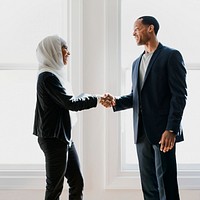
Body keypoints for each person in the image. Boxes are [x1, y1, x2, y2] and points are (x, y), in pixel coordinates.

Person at [101, 16, 187, 200]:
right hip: (141, 134)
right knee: (149, 187)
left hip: (164, 133)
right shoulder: (136, 63)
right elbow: (136, 97)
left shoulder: (171, 56)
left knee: (167, 186)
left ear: (150, 29)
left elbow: (179, 96)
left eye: (136, 28)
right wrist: (115, 100)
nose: (133, 33)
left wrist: (171, 129)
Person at [33, 35, 103, 200]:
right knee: (54, 187)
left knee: (76, 182)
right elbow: (70, 103)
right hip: (53, 139)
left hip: (63, 137)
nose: (68, 52)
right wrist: (97, 98)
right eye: (63, 47)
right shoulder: (47, 77)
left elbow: (67, 101)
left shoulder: (55, 75)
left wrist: (93, 97)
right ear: (52, 51)